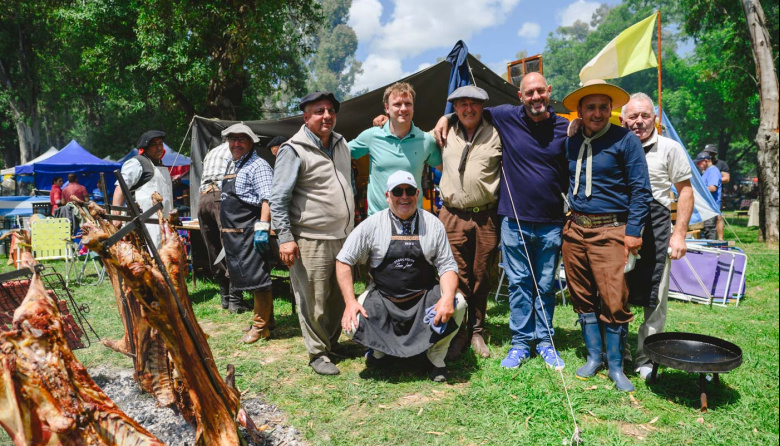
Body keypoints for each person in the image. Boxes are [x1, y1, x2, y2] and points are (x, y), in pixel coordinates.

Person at [433, 72, 569, 371]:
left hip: (548, 221)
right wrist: (443, 117)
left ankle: (545, 341)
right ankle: (520, 342)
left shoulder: (564, 127)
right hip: (513, 219)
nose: (535, 98)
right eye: (528, 93)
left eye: (539, 92)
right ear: (519, 97)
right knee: (518, 283)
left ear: (549, 91)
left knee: (544, 284)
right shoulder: (506, 117)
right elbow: (465, 111)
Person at [561, 79, 652, 392]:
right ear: (581, 111)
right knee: (581, 294)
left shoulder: (625, 140)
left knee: (614, 297)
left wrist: (633, 232)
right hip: (574, 229)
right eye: (590, 107)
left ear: (611, 110)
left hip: (611, 228)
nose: (597, 113)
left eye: (603, 107)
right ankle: (593, 357)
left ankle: (616, 365)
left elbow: (641, 189)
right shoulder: (570, 140)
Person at [337, 170, 467, 382]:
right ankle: (379, 352)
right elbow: (344, 260)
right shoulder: (372, 225)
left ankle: (436, 357)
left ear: (417, 194)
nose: (404, 197)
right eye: (397, 191)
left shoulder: (433, 223)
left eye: (409, 191)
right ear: (387, 196)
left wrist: (446, 298)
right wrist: (350, 302)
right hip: (384, 297)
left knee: (458, 303)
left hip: (423, 296)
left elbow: (447, 266)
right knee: (352, 324)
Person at [270, 91, 355, 375]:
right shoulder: (293, 149)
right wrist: (285, 238)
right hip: (310, 238)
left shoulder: (342, 143)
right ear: (306, 117)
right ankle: (317, 353)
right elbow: (279, 198)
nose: (327, 116)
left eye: (331, 110)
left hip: (343, 237)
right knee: (313, 299)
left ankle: (331, 344)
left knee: (337, 298)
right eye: (319, 111)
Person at [620, 92, 694, 379]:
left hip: (658, 228)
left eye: (645, 115)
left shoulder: (669, 148)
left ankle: (645, 359)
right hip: (621, 228)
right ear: (623, 119)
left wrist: (680, 235)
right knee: (618, 296)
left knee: (655, 300)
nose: (639, 122)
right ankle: (619, 354)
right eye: (633, 116)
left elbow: (685, 190)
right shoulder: (617, 145)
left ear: (655, 118)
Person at [434, 85, 501, 359]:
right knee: (455, 274)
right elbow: (408, 135)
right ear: (455, 108)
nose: (468, 109)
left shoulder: (498, 132)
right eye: (461, 104)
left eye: (474, 103)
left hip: (486, 215)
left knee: (482, 274)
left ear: (482, 106)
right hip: (452, 214)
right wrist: (382, 121)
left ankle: (476, 331)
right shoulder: (442, 133)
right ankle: (458, 331)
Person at [219, 123, 275, 343]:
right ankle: (266, 321)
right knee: (248, 278)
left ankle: (261, 327)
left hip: (250, 232)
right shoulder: (233, 165)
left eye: (241, 139)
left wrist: (262, 227)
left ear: (251, 142)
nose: (236, 143)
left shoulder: (257, 165)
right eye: (232, 139)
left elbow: (268, 198)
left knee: (258, 278)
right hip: (234, 234)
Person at [349, 82, 442, 215]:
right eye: (397, 104)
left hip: (414, 221)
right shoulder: (371, 136)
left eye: (408, 104)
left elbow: (447, 170)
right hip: (378, 221)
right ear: (387, 108)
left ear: (413, 107)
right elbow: (339, 153)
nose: (403, 108)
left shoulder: (425, 141)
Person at [112, 130, 173, 248]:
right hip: (145, 224)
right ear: (145, 147)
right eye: (154, 145)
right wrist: (116, 217)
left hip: (163, 224)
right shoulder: (137, 163)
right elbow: (120, 188)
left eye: (160, 144)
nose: (159, 147)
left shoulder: (161, 166)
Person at [198, 141, 237, 311]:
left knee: (212, 246)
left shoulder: (211, 152)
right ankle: (234, 298)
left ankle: (225, 297)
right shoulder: (234, 149)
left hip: (203, 198)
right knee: (229, 243)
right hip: (220, 197)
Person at [694, 152, 722, 240]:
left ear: (706, 161)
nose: (697, 165)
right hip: (705, 207)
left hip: (710, 207)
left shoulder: (713, 171)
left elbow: (713, 188)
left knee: (709, 229)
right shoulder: (706, 172)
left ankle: (712, 249)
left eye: (699, 162)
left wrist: (697, 191)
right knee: (706, 229)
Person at [704, 144, 729, 240]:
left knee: (718, 216)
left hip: (717, 193)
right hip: (707, 195)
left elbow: (726, 178)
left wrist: (714, 180)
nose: (708, 155)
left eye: (710, 153)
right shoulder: (703, 164)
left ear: (714, 154)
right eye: (707, 153)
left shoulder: (721, 164)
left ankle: (720, 238)